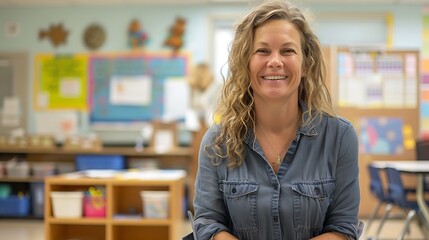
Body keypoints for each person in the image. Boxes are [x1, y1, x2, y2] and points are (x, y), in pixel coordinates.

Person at [190, 0, 361, 239]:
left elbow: (343, 227)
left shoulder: (339, 137)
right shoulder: (217, 141)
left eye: (288, 50)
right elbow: (208, 224)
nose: (275, 61)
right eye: (262, 51)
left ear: (305, 65)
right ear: (246, 64)